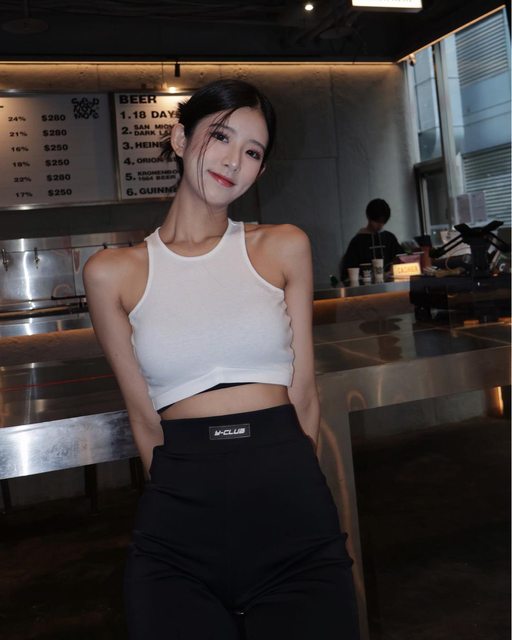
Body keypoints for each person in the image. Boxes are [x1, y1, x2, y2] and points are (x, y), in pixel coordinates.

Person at [84, 78, 359, 640]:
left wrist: (304, 498)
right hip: (178, 526)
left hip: (291, 509)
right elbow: (144, 420)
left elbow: (304, 394)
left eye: (253, 152)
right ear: (179, 139)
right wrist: (181, 505)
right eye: (222, 136)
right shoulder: (112, 272)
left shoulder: (282, 246)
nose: (234, 161)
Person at [339, 198, 403, 282]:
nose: (380, 225)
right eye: (377, 221)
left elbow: (401, 261)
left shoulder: (390, 238)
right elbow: (348, 273)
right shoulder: (357, 242)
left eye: (383, 222)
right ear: (369, 217)